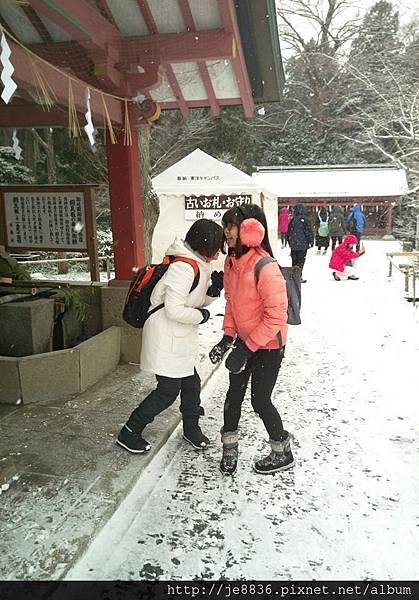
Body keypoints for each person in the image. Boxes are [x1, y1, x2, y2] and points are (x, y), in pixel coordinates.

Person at [117, 219, 224, 454]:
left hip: (179, 336)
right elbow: (174, 310)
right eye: (217, 247)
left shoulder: (196, 263)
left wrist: (212, 292)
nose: (218, 253)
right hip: (166, 337)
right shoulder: (183, 268)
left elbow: (190, 301)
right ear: (204, 245)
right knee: (167, 392)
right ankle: (129, 432)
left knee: (191, 384)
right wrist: (202, 316)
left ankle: (191, 429)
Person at [209, 204, 293, 476]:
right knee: (233, 396)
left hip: (268, 346)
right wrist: (227, 338)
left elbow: (276, 317)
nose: (226, 232)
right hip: (244, 342)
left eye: (231, 225)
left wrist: (245, 349)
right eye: (225, 225)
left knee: (260, 400)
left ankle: (282, 451)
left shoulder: (265, 266)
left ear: (250, 230)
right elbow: (232, 304)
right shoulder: (232, 262)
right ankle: (230, 447)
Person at [287, 203, 313, 282]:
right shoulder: (306, 220)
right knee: (301, 261)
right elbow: (308, 232)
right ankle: (298, 276)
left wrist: (290, 242)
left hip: (294, 245)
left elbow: (288, 233)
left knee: (294, 261)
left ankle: (294, 276)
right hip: (303, 245)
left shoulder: (293, 220)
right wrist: (310, 241)